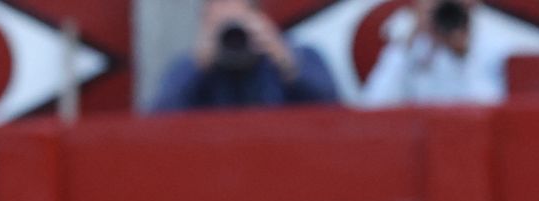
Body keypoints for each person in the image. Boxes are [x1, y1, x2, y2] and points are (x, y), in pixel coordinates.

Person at [151, 0, 338, 112]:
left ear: (260, 20)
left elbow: (334, 115)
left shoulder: (299, 58)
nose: (234, 37)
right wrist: (196, 66)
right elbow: (157, 123)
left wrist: (287, 62)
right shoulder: (189, 68)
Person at [359, 0, 510, 107]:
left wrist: (461, 53)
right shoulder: (410, 41)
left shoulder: (493, 43)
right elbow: (374, 105)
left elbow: (490, 111)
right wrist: (409, 46)